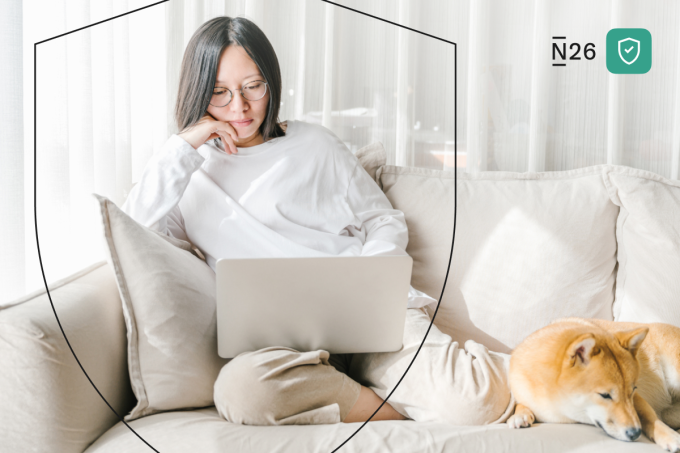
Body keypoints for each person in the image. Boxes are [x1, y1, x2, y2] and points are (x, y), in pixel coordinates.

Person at [122, 16, 515, 426]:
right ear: (198, 91)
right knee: (242, 391)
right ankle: (392, 409)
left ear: (271, 83)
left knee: (476, 405)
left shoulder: (314, 144)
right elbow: (135, 229)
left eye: (253, 86)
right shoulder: (187, 173)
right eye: (220, 92)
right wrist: (184, 144)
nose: (238, 107)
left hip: (367, 318)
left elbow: (382, 220)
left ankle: (512, 376)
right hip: (278, 349)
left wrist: (372, 279)